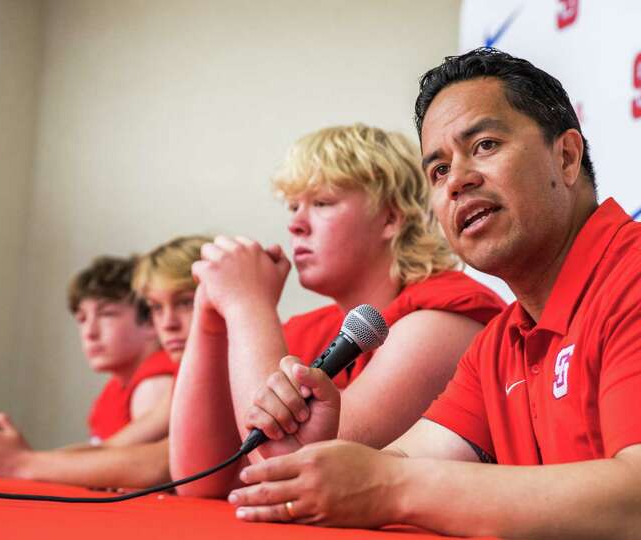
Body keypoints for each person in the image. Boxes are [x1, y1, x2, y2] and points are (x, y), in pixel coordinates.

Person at [225, 49, 641, 539]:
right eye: (438, 170)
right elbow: (411, 464)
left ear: (568, 155)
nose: (458, 180)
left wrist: (384, 486)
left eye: (485, 146)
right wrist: (316, 459)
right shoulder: (502, 341)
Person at [170, 124, 506, 497]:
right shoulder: (314, 329)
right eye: (294, 206)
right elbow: (198, 477)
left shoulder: (443, 321)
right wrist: (210, 316)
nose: (295, 224)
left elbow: (295, 462)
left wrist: (245, 305)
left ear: (391, 218)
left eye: (322, 203)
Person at [0, 237, 210, 488]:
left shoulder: (160, 381)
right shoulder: (184, 376)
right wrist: (7, 458)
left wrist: (22, 463)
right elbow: (112, 448)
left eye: (185, 302)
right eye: (156, 307)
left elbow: (162, 465)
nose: (167, 323)